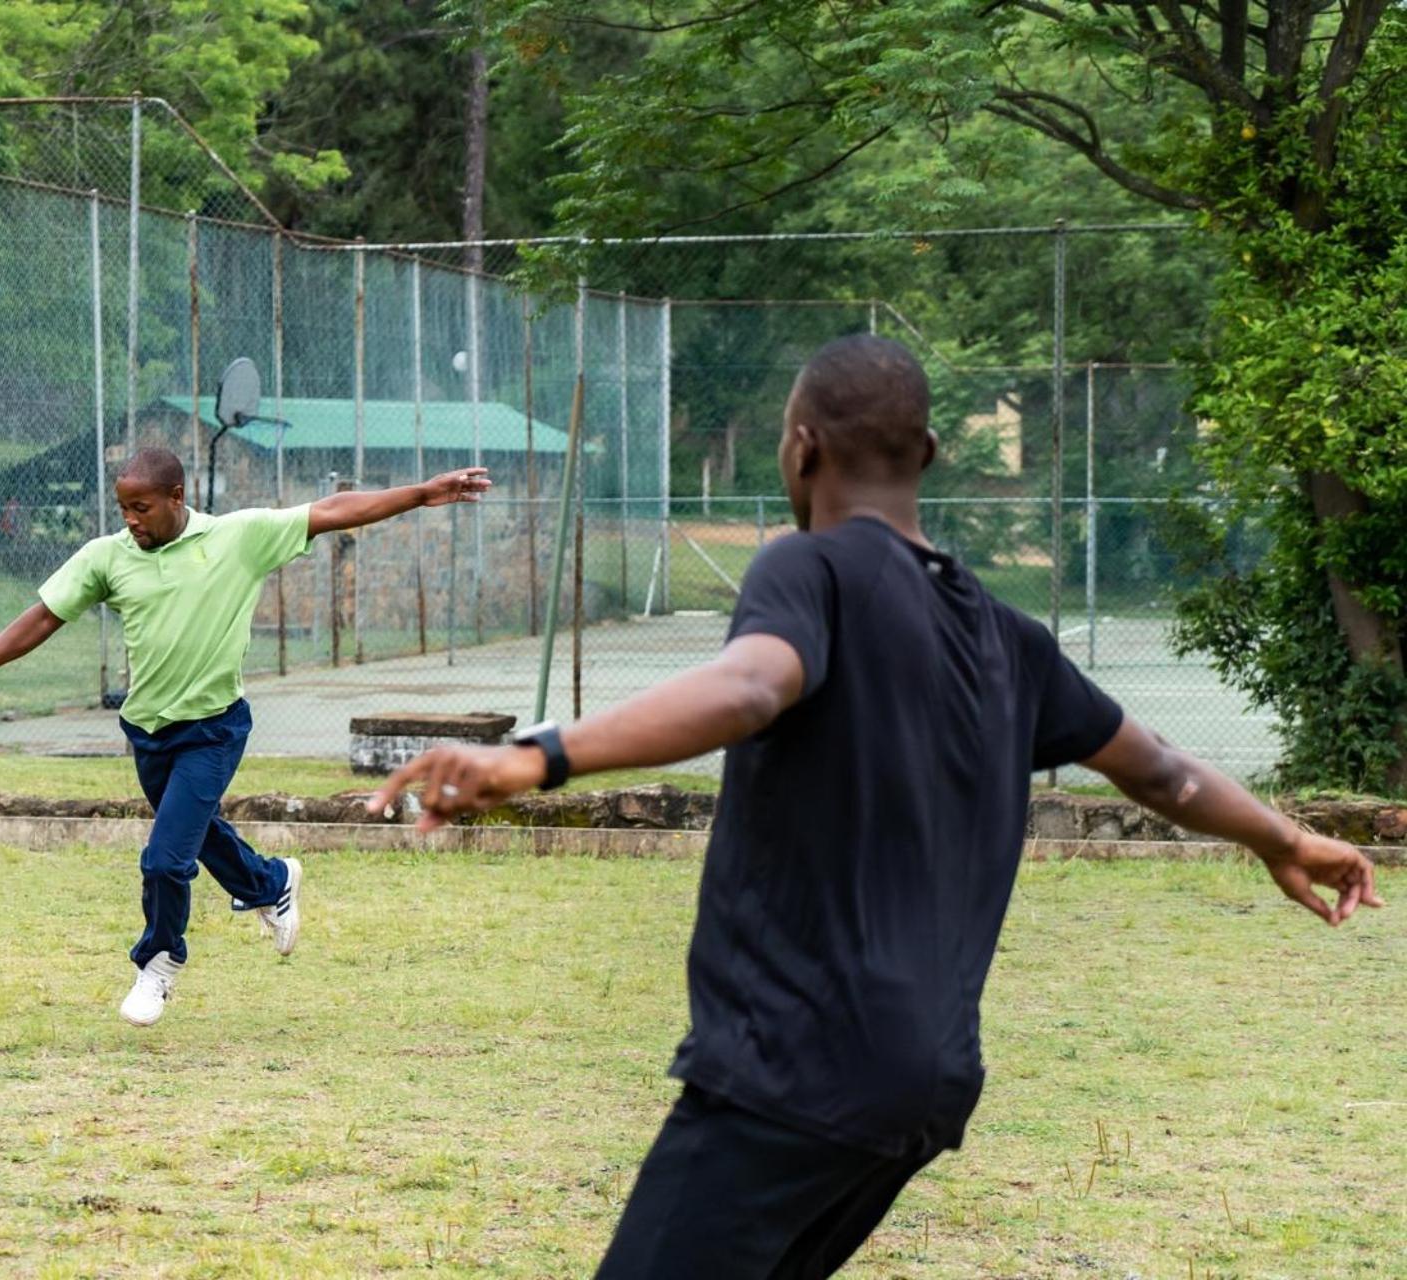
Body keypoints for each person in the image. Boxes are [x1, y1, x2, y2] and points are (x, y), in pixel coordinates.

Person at [370, 335, 1383, 1279]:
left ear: (801, 446)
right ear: (931, 451)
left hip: (792, 1072)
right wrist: (1286, 836)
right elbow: (1162, 771)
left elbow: (751, 685)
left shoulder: (807, 568)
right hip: (923, 1082)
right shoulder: (1010, 637)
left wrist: (536, 756)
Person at [0, 447, 492, 1026]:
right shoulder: (108, 557)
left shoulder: (238, 537)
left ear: (177, 498)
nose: (130, 519)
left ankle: (158, 962)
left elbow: (332, 510)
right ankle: (271, 881)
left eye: (141, 507)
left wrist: (422, 494)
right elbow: (45, 615)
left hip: (213, 729)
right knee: (195, 835)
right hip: (148, 733)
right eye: (123, 507)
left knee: (164, 859)